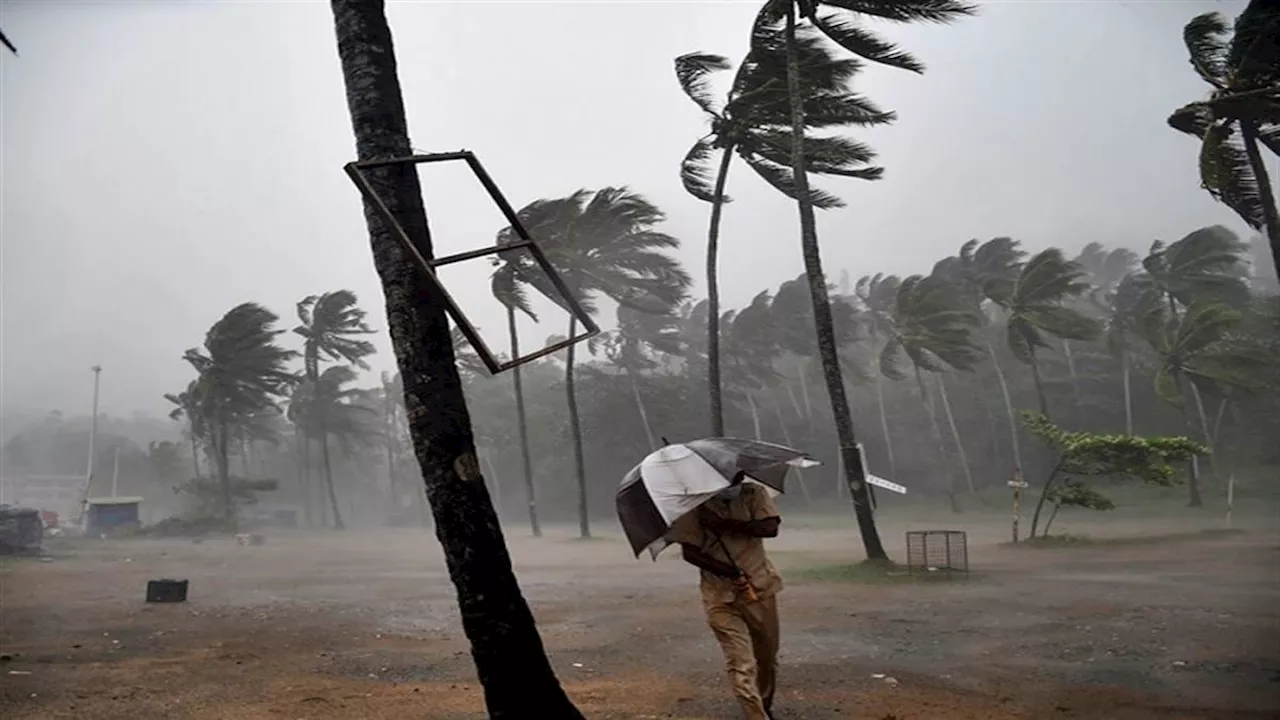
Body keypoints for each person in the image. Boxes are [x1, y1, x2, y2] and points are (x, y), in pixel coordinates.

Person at [667, 477, 783, 720]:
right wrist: (728, 571)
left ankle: (764, 704)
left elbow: (770, 528)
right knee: (741, 661)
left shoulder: (754, 493)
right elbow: (689, 552)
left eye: (737, 478)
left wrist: (724, 524)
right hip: (719, 594)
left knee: (767, 657)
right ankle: (755, 715)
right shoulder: (693, 505)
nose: (733, 484)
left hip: (759, 587)